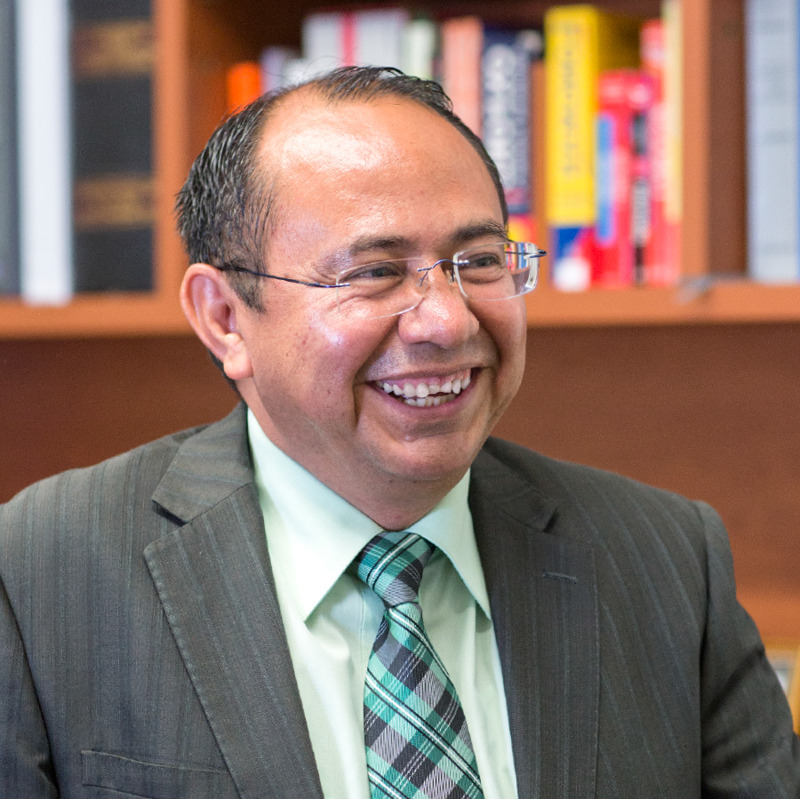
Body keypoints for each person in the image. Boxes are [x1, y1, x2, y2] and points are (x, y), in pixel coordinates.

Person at [1, 66, 798, 799]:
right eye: (375, 272)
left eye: (478, 260)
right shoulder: (42, 574)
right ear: (225, 318)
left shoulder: (666, 561)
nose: (447, 320)